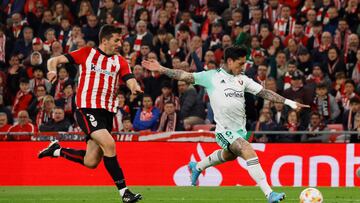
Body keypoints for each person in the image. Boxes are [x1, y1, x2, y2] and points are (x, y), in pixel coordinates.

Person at [142, 46, 309, 203]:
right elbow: (184, 75)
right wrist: (162, 69)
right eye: (240, 63)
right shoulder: (211, 76)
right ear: (230, 61)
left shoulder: (243, 79)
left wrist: (289, 102)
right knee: (247, 149)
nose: (243, 67)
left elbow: (264, 92)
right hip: (223, 131)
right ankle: (269, 193)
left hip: (240, 131)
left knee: (230, 155)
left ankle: (197, 166)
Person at [37, 25, 142, 203]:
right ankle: (124, 193)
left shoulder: (120, 61)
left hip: (107, 113)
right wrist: (53, 70)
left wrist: (135, 87)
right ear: (105, 40)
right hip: (87, 108)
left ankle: (57, 151)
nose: (119, 44)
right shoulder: (87, 53)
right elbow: (53, 61)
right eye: (116, 40)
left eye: (120, 40)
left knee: (91, 161)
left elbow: (129, 79)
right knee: (109, 145)